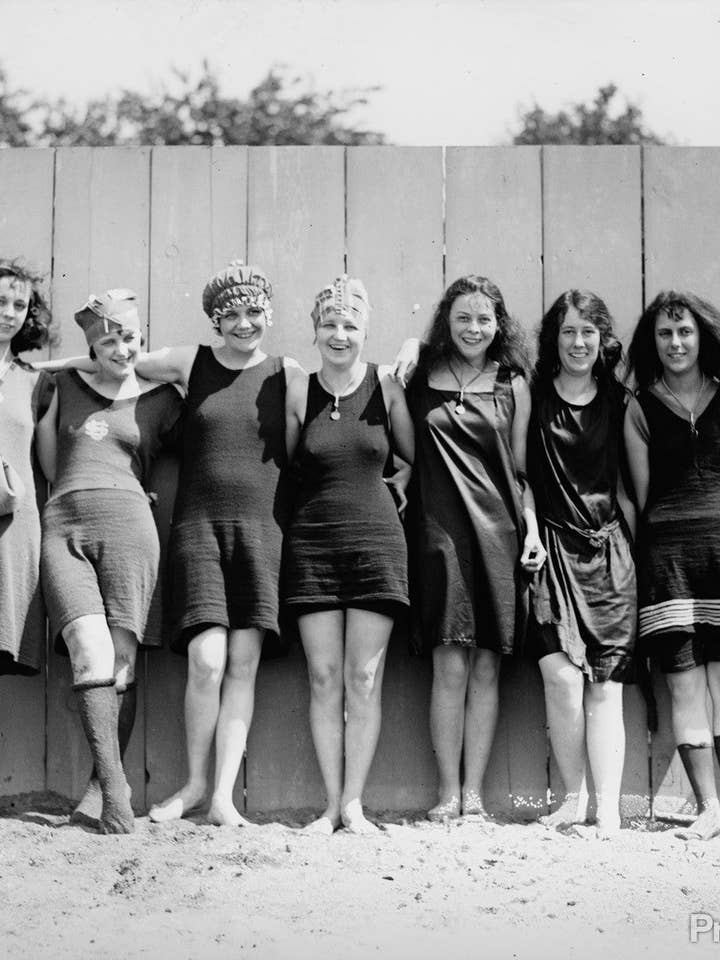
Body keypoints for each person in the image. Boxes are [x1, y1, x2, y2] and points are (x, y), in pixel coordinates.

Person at [142, 262, 303, 826]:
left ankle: (221, 799)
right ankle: (192, 784)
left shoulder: (290, 373)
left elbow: (351, 398)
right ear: (214, 319)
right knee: (206, 661)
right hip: (199, 529)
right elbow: (116, 359)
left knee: (242, 662)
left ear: (269, 314)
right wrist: (38, 365)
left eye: (253, 312)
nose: (243, 323)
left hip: (263, 533)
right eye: (229, 314)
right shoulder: (193, 363)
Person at [38, 290, 183, 834]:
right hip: (65, 523)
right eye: (107, 342)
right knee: (87, 648)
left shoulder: (164, 399)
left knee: (121, 656)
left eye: (128, 338)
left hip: (130, 526)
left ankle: (100, 793)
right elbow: (51, 463)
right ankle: (119, 788)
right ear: (90, 348)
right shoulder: (63, 387)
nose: (120, 349)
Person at [403, 275, 545, 822]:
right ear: (447, 320)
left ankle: (475, 796)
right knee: (449, 668)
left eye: (484, 318)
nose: (473, 328)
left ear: (499, 324)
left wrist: (531, 531)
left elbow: (522, 471)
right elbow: (404, 457)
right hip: (438, 536)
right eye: (463, 317)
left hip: (500, 535)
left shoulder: (513, 384)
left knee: (486, 668)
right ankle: (445, 793)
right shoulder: (418, 378)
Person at [284, 276, 414, 834]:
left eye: (351, 326)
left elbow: (412, 455)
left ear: (365, 332)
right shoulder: (297, 389)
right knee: (323, 676)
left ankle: (355, 805)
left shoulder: (386, 385)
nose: (340, 335)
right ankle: (330, 805)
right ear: (315, 331)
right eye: (330, 325)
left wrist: (405, 474)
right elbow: (288, 465)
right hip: (312, 545)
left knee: (363, 679)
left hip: (376, 545)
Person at [527, 290, 636, 838]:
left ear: (602, 339)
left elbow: (633, 485)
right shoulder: (532, 395)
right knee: (561, 679)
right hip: (548, 550)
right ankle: (573, 799)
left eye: (588, 332)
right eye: (568, 331)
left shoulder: (620, 401)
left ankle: (609, 812)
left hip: (608, 555)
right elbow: (521, 476)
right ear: (556, 338)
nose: (578, 342)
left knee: (606, 685)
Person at [625, 290, 720, 841]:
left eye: (684, 331)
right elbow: (640, 497)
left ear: (701, 335)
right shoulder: (640, 407)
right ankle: (709, 811)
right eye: (665, 333)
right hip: (669, 567)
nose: (676, 342)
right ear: (652, 343)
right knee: (684, 687)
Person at [0, 259, 56, 677]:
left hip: (12, 532)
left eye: (19, 305)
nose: (8, 312)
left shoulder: (37, 384)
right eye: (0, 301)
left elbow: (53, 467)